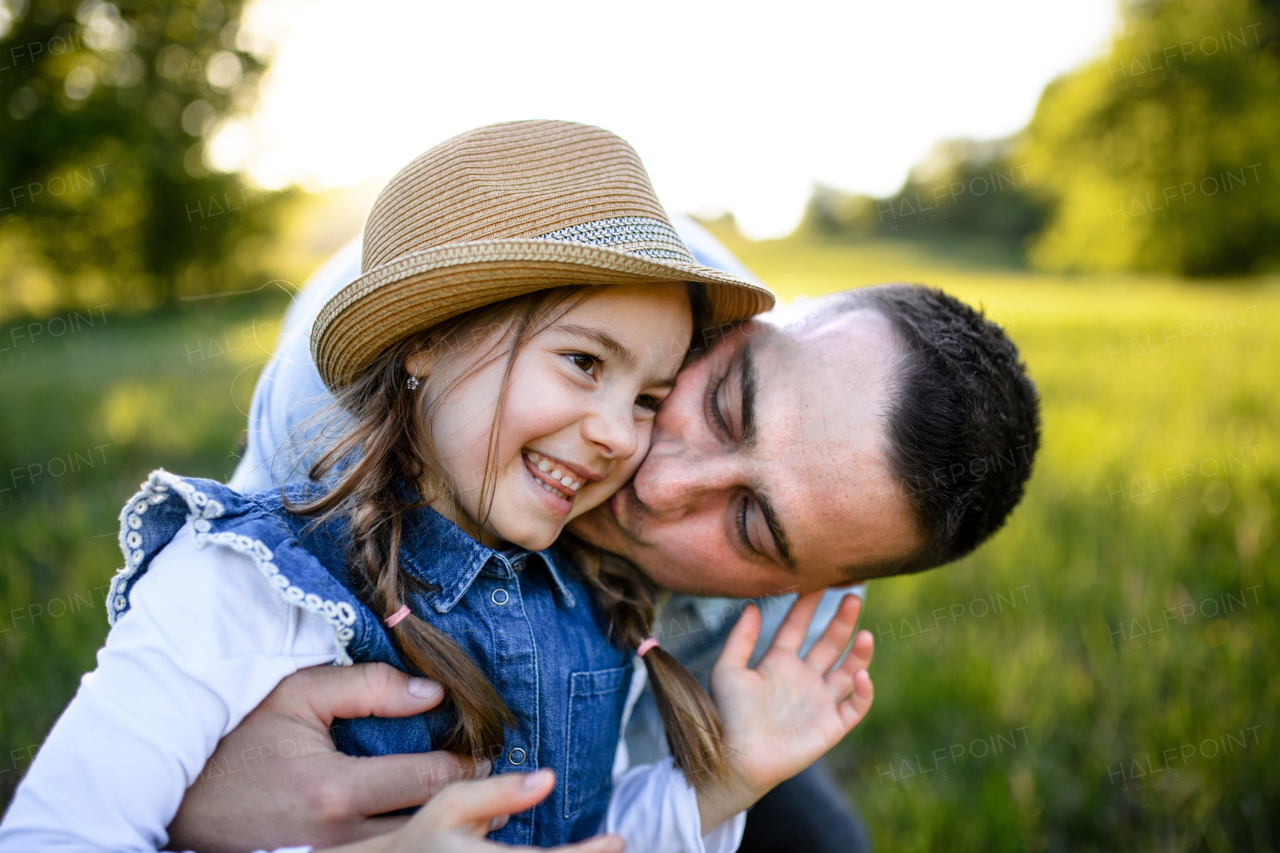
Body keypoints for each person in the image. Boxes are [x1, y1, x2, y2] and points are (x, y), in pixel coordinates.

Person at [0, 121, 878, 853]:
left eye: (648, 398)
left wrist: (719, 784)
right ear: (427, 340)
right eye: (581, 362)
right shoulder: (245, 580)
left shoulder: (588, 604)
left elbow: (591, 833)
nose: (620, 433)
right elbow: (57, 834)